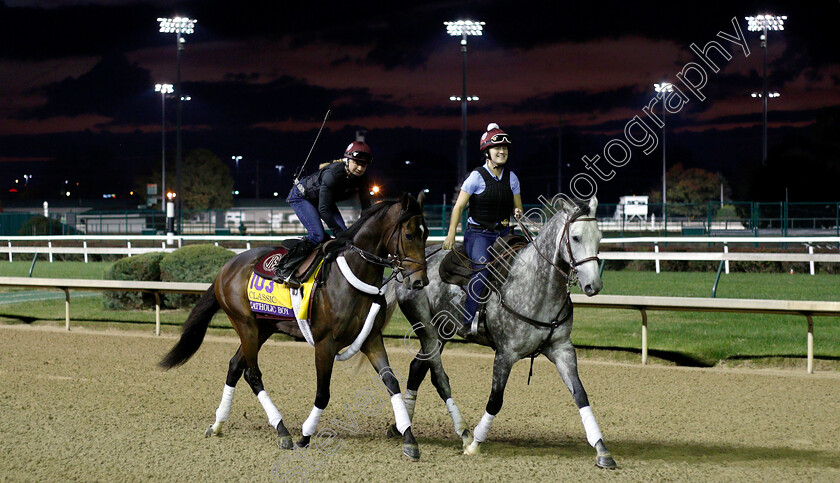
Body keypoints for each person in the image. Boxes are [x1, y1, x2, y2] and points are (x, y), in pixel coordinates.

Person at [443, 123, 524, 334]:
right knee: (483, 267)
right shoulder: (476, 177)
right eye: (498, 148)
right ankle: (468, 321)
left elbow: (519, 208)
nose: (502, 151)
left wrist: (518, 213)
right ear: (487, 152)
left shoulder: (512, 178)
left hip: (505, 234)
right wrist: (451, 234)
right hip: (478, 235)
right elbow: (459, 207)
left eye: (505, 148)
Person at [275, 141, 373, 284]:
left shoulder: (363, 179)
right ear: (347, 160)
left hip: (323, 201)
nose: (359, 168)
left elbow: (366, 210)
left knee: (345, 236)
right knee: (318, 235)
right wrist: (337, 231)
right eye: (356, 163)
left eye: (363, 165)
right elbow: (323, 209)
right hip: (302, 197)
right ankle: (284, 269)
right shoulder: (332, 174)